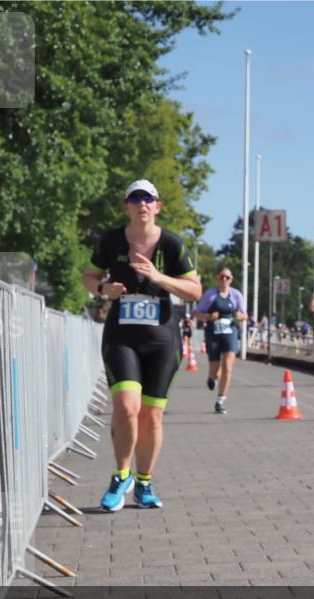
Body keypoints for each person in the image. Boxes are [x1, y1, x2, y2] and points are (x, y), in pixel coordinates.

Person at [83, 179, 201, 511]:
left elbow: (194, 290)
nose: (142, 204)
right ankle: (121, 475)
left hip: (162, 338)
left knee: (151, 416)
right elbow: (88, 276)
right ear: (127, 207)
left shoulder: (172, 245)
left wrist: (158, 277)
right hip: (122, 336)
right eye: (135, 199)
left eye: (148, 199)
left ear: (157, 206)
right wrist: (104, 290)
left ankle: (144, 483)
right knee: (126, 406)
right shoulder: (110, 241)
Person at [193, 267, 247, 413]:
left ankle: (220, 400)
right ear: (218, 278)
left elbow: (244, 315)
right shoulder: (210, 295)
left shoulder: (236, 295)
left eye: (227, 278)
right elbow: (196, 313)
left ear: (231, 280)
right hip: (213, 332)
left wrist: (238, 316)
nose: (224, 280)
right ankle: (212, 378)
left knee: (228, 366)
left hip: (230, 331)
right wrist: (209, 317)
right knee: (215, 370)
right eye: (222, 277)